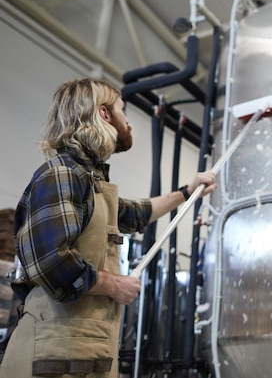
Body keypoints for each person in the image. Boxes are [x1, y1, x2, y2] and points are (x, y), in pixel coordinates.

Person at [0, 78, 217, 378]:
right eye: (122, 109)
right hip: (53, 357)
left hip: (77, 355)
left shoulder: (91, 183)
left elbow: (136, 212)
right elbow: (51, 262)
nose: (127, 120)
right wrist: (116, 285)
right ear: (103, 114)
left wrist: (186, 191)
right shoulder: (61, 174)